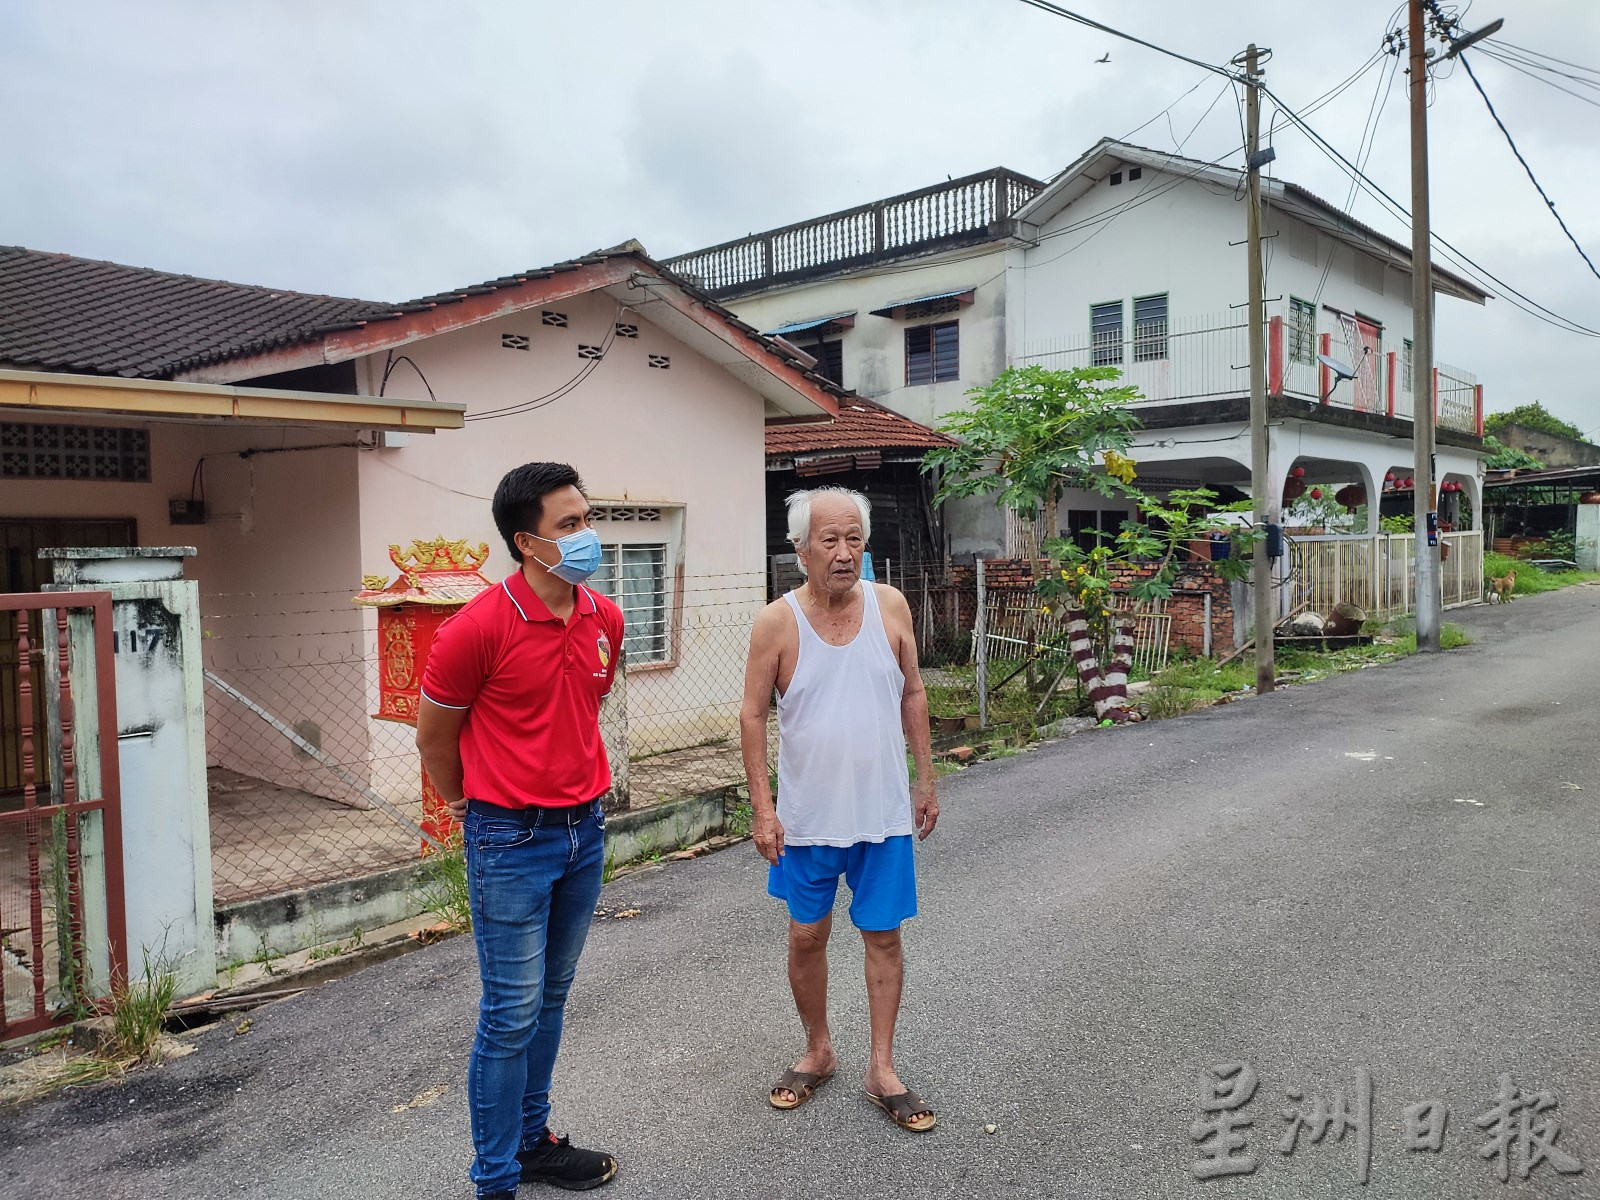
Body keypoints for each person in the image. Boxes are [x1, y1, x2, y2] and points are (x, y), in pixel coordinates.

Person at [416, 461, 623, 1198]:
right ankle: (495, 1179)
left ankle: (534, 1143)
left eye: (587, 518)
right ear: (526, 543)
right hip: (509, 841)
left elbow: (578, 713)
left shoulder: (605, 617)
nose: (587, 535)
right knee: (509, 1014)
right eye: (569, 525)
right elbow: (435, 738)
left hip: (584, 833)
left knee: (553, 998)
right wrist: (466, 804)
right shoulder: (476, 628)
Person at [738, 485, 941, 1133]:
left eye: (854, 538)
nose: (845, 552)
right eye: (829, 539)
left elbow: (913, 692)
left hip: (881, 814)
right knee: (806, 934)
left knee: (883, 936)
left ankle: (882, 1068)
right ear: (800, 549)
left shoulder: (891, 607)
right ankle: (819, 1050)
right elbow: (750, 715)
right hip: (807, 821)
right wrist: (763, 809)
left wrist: (926, 779)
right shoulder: (777, 622)